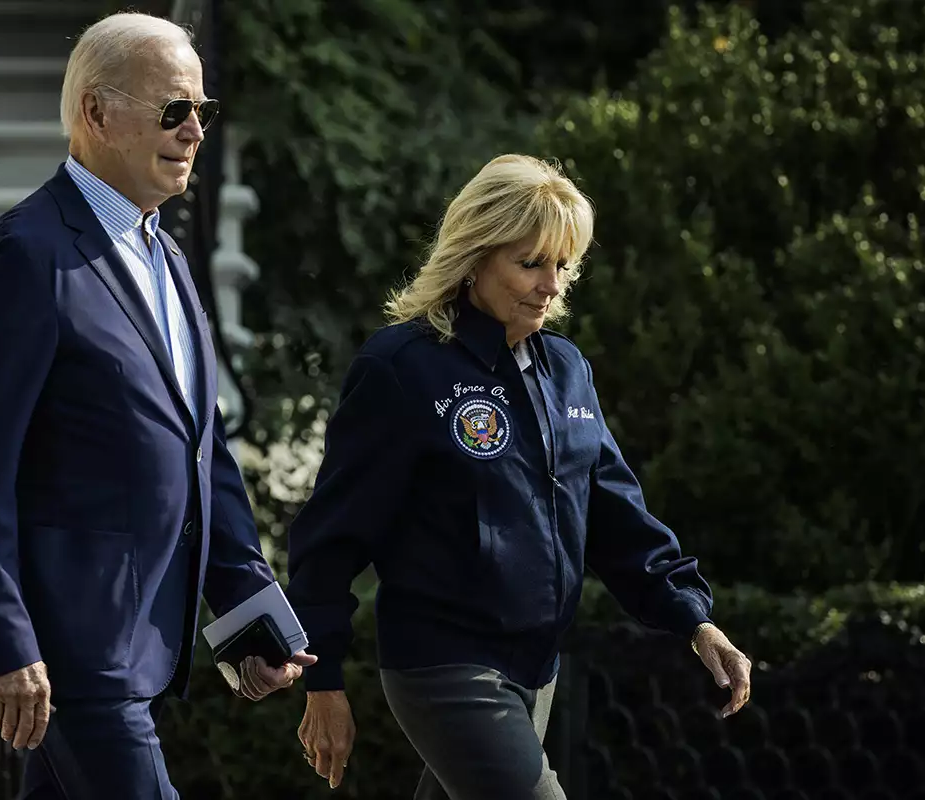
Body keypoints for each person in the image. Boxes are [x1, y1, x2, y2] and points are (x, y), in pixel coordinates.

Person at [0, 13, 313, 799]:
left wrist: (244, 614)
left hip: (139, 645)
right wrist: (0, 641)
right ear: (96, 114)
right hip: (73, 652)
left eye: (203, 110)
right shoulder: (24, 257)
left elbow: (200, 448)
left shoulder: (168, 252)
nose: (195, 130)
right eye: (174, 110)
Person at [286, 154, 752, 799]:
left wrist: (694, 621)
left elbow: (615, 515)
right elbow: (331, 536)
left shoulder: (566, 368)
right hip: (445, 666)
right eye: (530, 263)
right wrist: (324, 679)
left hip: (536, 670)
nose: (551, 285)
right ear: (475, 257)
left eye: (562, 265)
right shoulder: (402, 367)